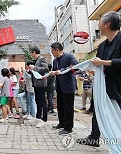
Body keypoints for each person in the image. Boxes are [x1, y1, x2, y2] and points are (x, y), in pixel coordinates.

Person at [77, 11, 121, 147]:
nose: (98, 25)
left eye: (100, 22)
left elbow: (107, 62)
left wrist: (103, 63)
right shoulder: (102, 45)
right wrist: (93, 69)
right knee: (98, 110)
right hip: (103, 86)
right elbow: (99, 64)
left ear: (107, 25)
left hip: (118, 86)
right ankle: (94, 137)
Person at [50, 42, 78, 135]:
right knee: (60, 107)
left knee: (68, 108)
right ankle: (61, 123)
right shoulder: (55, 60)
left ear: (57, 50)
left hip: (68, 86)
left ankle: (68, 127)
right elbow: (55, 70)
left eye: (52, 51)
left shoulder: (69, 56)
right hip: (59, 86)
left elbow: (75, 67)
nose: (52, 53)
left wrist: (61, 71)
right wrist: (52, 73)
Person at [29, 46, 49, 128]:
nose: (31, 54)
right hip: (36, 84)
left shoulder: (41, 58)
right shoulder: (36, 60)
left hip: (41, 84)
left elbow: (46, 69)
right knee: (38, 101)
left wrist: (35, 68)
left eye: (31, 52)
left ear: (34, 52)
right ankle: (38, 117)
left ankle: (44, 120)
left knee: (42, 101)